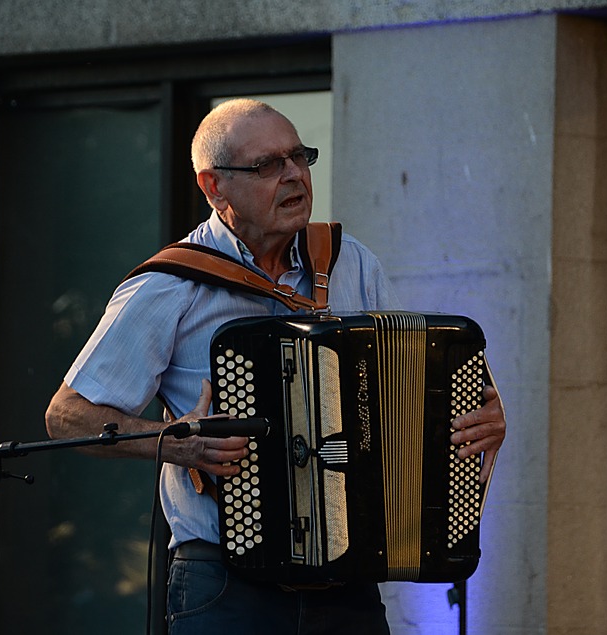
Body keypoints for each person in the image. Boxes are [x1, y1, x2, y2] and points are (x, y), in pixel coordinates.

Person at [45, 98, 506, 634]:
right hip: (225, 582)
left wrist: (474, 422)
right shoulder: (169, 285)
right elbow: (66, 416)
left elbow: (406, 391)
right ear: (213, 186)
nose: (293, 176)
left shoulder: (350, 261)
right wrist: (176, 442)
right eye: (268, 165)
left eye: (299, 158)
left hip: (349, 582)